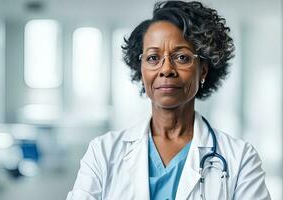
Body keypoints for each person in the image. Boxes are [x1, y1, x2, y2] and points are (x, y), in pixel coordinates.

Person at [66, 1, 271, 199]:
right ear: (141, 69)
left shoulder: (240, 158)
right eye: (153, 58)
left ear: (203, 71)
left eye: (181, 57)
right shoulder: (103, 152)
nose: (166, 69)